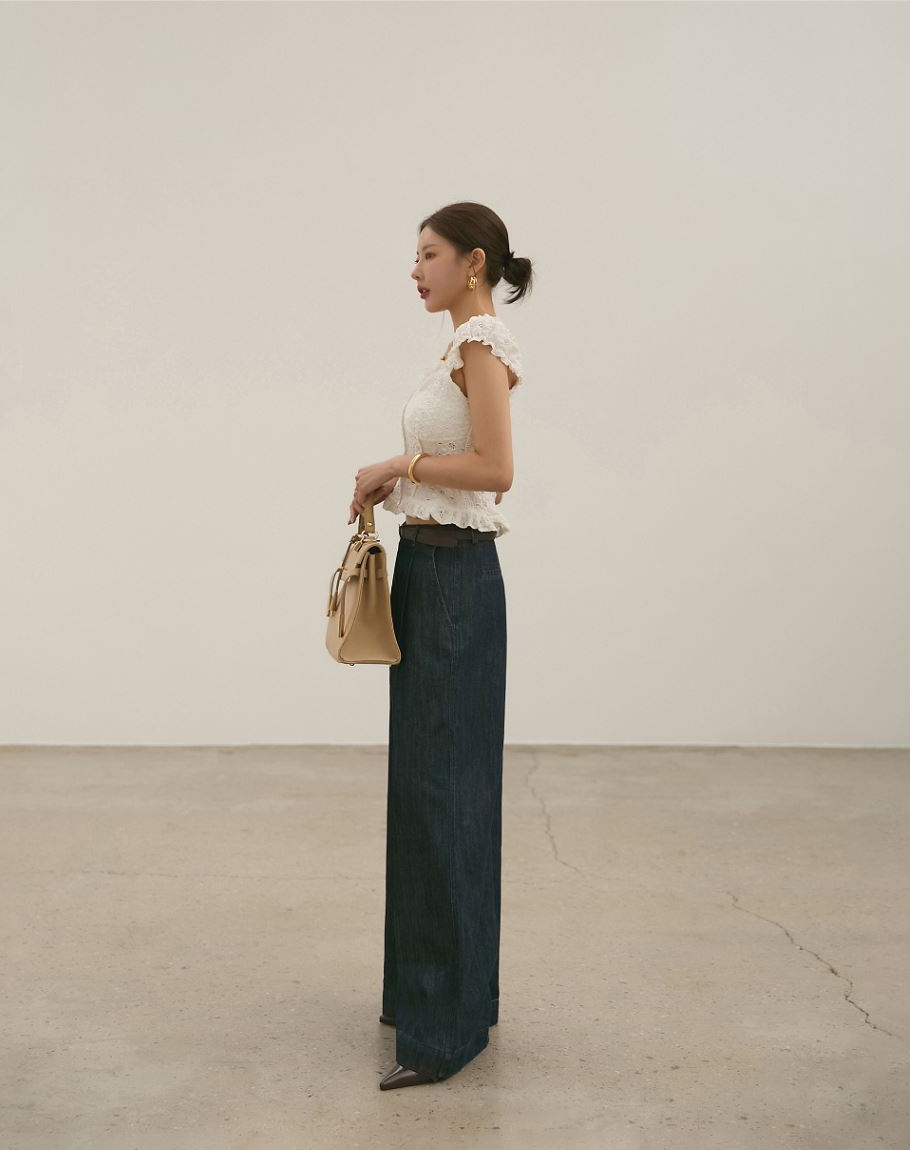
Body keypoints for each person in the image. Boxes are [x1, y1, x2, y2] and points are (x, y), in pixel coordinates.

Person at [347, 201, 533, 1090]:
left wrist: (401, 466)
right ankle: (438, 1004)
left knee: (442, 797)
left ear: (474, 262)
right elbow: (459, 470)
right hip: (432, 572)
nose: (415, 270)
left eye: (429, 254)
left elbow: (497, 470)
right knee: (430, 794)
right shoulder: (458, 347)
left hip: (456, 584)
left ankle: (442, 1030)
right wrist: (400, 486)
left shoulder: (482, 344)